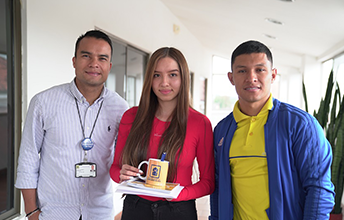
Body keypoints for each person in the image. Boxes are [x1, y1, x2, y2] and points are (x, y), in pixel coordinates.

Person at [209, 40, 335, 220]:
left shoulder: (300, 124)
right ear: (231, 77)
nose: (251, 77)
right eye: (242, 70)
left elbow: (319, 188)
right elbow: (218, 188)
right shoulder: (222, 130)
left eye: (260, 69)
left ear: (273, 75)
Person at [15, 30, 129, 220]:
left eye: (102, 58)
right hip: (53, 212)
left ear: (109, 66)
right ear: (74, 61)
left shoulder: (120, 107)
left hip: (99, 212)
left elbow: (123, 157)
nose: (94, 64)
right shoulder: (43, 102)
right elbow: (28, 158)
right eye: (86, 56)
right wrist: (31, 212)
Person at [110, 47, 215, 220]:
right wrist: (122, 174)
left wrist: (179, 194)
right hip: (135, 208)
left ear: (183, 78)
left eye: (172, 75)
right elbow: (114, 169)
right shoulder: (131, 116)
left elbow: (208, 183)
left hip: (178, 210)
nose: (164, 82)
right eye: (157, 75)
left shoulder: (199, 123)